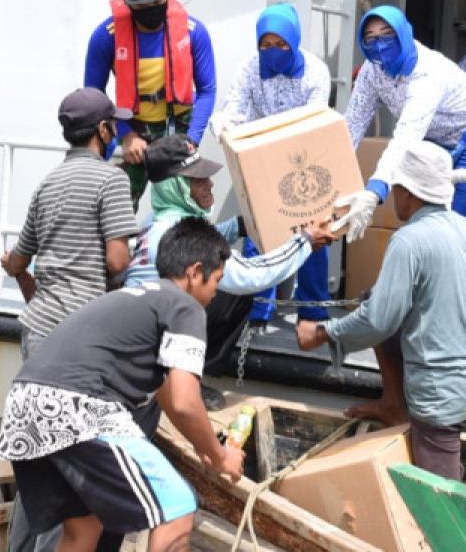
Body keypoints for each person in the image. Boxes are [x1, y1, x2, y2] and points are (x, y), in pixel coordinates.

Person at [0, 218, 245, 552]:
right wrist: (221, 457)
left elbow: (167, 394)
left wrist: (204, 447)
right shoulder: (185, 307)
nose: (216, 293)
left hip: (25, 406)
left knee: (84, 525)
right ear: (195, 272)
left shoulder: (137, 298)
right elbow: (186, 401)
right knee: (178, 506)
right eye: (216, 280)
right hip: (77, 408)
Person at [296, 141, 466, 481]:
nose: (392, 198)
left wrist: (322, 333)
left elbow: (379, 320)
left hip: (438, 389)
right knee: (374, 296)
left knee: (441, 498)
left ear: (409, 193)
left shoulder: (408, 240)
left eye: (396, 189)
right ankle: (394, 403)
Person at [122, 134, 336, 407]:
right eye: (199, 179)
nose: (210, 183)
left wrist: (242, 224)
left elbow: (209, 236)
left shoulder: (160, 222)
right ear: (174, 186)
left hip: (143, 341)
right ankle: (187, 380)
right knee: (236, 289)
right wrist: (305, 242)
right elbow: (252, 274)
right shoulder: (179, 236)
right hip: (149, 358)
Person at [335, 5, 466, 242]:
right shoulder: (372, 71)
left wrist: (374, 191)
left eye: (387, 34)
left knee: (456, 228)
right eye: (370, 38)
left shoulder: (427, 72)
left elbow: (406, 138)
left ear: (404, 33)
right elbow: (353, 124)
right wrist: (330, 177)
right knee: (423, 221)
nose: (380, 44)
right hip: (435, 140)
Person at [206, 3, 335, 326]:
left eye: (280, 45)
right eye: (266, 45)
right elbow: (235, 107)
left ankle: (313, 310)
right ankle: (257, 311)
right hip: (260, 158)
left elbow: (314, 120)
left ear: (294, 41)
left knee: (312, 231)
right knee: (259, 232)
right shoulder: (251, 68)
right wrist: (223, 124)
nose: (273, 51)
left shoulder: (315, 72)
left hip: (303, 157)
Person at [1, 88, 140, 360]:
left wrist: (12, 266)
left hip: (38, 326)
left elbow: (18, 261)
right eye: (113, 125)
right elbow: (118, 262)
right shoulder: (112, 180)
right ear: (102, 129)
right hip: (83, 329)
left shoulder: (47, 184)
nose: (115, 132)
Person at [85, 0, 216, 206]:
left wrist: (191, 139)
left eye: (156, 2)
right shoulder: (105, 37)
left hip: (181, 128)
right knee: (112, 204)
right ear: (127, 3)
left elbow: (207, 90)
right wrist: (125, 135)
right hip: (131, 128)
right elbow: (93, 98)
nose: (149, 12)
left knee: (192, 205)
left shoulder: (194, 32)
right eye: (140, 7)